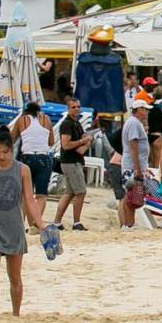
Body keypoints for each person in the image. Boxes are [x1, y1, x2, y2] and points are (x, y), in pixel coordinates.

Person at [0, 126, 46, 321]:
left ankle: (15, 314)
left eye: (5, 152)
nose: (2, 156)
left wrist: (40, 223)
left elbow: (30, 199)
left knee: (15, 277)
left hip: (14, 227)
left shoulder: (23, 170)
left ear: (12, 149)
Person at [50, 96, 91, 231]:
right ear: (68, 109)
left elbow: (82, 144)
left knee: (70, 192)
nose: (77, 109)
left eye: (78, 107)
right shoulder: (67, 124)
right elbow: (66, 145)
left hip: (74, 160)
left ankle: (57, 221)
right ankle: (76, 222)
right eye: (73, 107)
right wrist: (81, 142)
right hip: (70, 162)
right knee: (80, 191)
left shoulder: (76, 123)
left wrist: (85, 143)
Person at [10, 101, 55, 222]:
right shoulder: (47, 119)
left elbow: (11, 139)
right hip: (43, 158)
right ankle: (36, 222)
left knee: (25, 195)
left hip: (27, 158)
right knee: (41, 195)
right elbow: (51, 142)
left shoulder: (22, 120)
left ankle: (22, 222)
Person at [120, 100, 152, 229]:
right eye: (145, 109)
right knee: (130, 196)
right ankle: (127, 224)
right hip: (132, 166)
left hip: (133, 165)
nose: (147, 112)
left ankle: (128, 224)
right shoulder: (134, 123)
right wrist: (138, 168)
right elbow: (134, 146)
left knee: (132, 196)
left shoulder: (134, 123)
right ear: (139, 110)